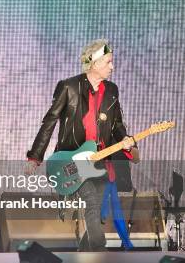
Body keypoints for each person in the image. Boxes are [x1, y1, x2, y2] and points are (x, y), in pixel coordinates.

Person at [25, 39, 140, 251]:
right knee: (91, 200)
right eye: (108, 62)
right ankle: (99, 247)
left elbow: (117, 125)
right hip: (72, 160)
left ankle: (87, 252)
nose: (112, 67)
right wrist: (35, 157)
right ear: (94, 63)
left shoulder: (112, 90)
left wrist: (126, 142)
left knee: (95, 210)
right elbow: (49, 123)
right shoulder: (68, 87)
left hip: (100, 161)